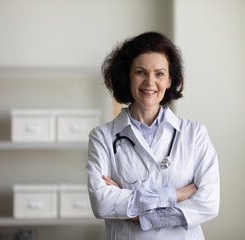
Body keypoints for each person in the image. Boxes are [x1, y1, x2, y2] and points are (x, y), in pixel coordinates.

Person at [86, 31, 220, 240]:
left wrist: (141, 216)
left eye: (159, 74)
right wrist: (175, 195)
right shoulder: (102, 136)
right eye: (140, 72)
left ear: (169, 81)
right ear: (127, 77)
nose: (150, 82)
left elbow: (209, 203)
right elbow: (101, 203)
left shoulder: (195, 134)